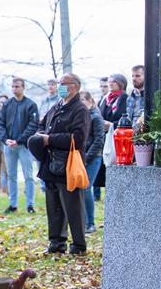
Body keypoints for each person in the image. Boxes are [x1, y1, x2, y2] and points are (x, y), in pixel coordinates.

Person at [29, 73, 90, 255]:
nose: (60, 86)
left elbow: (78, 139)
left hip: (68, 165)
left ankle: (78, 246)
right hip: (50, 165)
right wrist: (41, 137)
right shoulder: (56, 106)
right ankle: (56, 243)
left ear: (75, 87)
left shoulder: (80, 110)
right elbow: (41, 125)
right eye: (59, 83)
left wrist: (50, 140)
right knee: (53, 207)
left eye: (64, 83)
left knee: (73, 208)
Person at [0, 76, 39, 214]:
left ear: (23, 87)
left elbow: (33, 125)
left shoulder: (30, 104)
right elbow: (0, 123)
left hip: (24, 146)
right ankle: (13, 204)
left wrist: (19, 140)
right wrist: (5, 139)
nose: (14, 89)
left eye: (17, 86)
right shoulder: (7, 104)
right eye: (13, 86)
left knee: (28, 175)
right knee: (12, 176)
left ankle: (30, 205)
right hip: (9, 146)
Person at [79, 91, 105, 234]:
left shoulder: (96, 117)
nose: (81, 103)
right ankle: (82, 221)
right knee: (80, 189)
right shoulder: (82, 117)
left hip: (93, 157)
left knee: (86, 187)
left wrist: (87, 157)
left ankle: (90, 222)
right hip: (81, 157)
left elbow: (98, 140)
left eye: (83, 100)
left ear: (90, 100)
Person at [0, 94, 9, 200]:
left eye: (2, 102)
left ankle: (8, 192)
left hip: (7, 145)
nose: (0, 104)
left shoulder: (9, 115)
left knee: (7, 170)